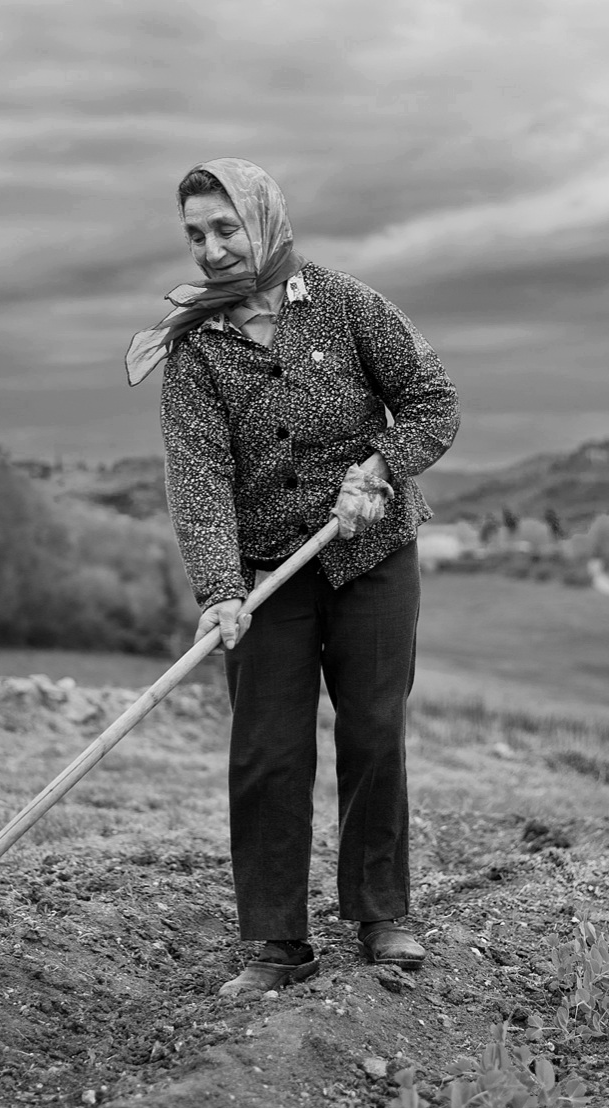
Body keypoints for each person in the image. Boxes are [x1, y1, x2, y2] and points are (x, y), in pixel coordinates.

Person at [126, 158, 460, 995]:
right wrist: (219, 589)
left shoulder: (347, 306)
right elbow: (199, 476)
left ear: (264, 221)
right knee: (267, 750)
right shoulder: (195, 349)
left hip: (370, 556)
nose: (210, 248)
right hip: (267, 570)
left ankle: (382, 913)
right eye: (196, 234)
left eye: (225, 228)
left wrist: (379, 469)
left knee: (373, 729)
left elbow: (433, 402)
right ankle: (276, 943)